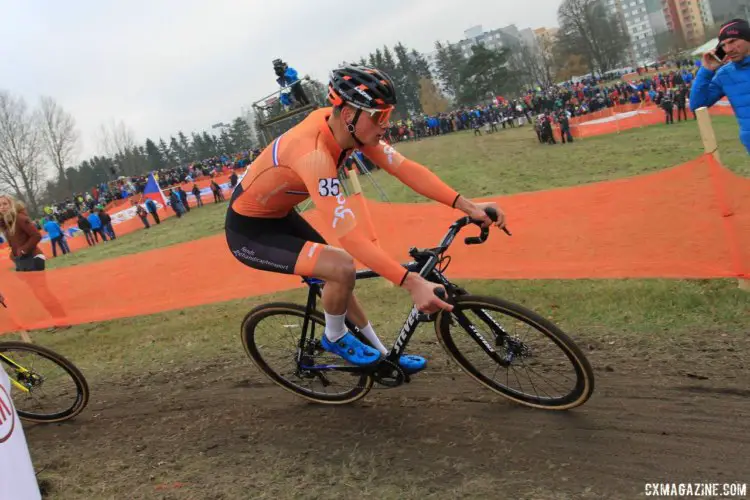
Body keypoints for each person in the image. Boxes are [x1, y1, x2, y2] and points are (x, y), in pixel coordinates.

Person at [225, 64, 506, 373]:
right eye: (379, 117)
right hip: (250, 231)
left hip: (279, 215)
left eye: (387, 115)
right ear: (349, 114)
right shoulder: (313, 154)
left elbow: (404, 168)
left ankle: (384, 358)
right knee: (341, 266)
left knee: (339, 282)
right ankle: (334, 336)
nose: (385, 124)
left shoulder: (350, 129)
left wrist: (468, 206)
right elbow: (349, 237)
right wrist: (411, 282)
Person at [690, 18, 750, 154]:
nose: (728, 49)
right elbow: (697, 105)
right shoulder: (724, 75)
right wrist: (706, 71)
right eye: (723, 45)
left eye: (733, 41)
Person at [0, 195, 45, 272]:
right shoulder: (7, 222)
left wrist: (23, 250)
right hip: (21, 260)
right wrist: (13, 255)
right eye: (0, 205)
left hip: (33, 258)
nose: (2, 207)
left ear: (12, 204)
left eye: (5, 204)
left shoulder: (20, 218)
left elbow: (36, 235)